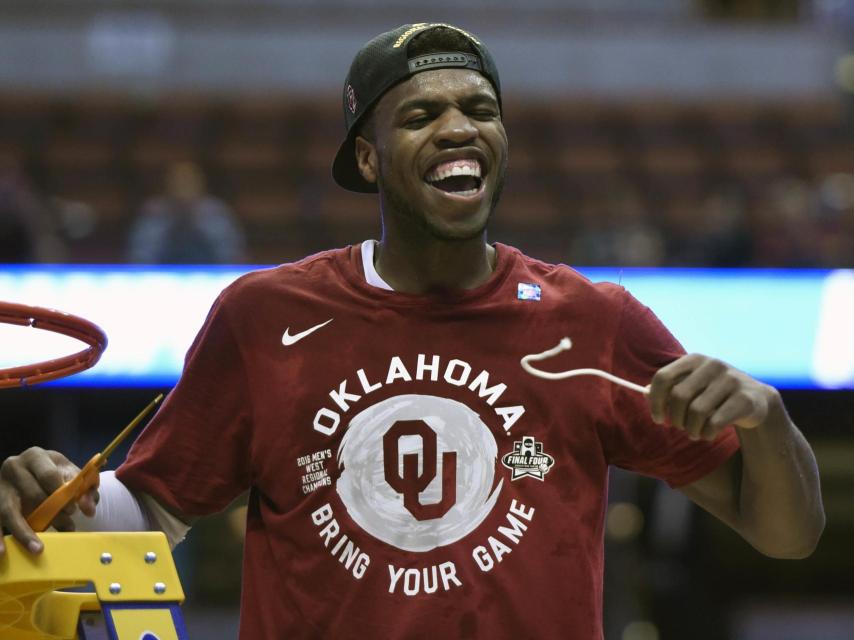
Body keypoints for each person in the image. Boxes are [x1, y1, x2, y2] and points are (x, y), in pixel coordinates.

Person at [0, 23, 824, 639]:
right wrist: (57, 496)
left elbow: (787, 535)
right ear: (368, 158)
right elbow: (148, 516)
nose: (460, 128)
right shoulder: (265, 315)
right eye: (423, 112)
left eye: (481, 110)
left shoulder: (594, 321)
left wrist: (770, 421)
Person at [128, 160, 246, 264]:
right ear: (168, 184)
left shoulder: (216, 211)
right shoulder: (153, 211)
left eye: (188, 181)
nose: (183, 186)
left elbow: (232, 256)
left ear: (200, 183)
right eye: (178, 181)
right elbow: (140, 257)